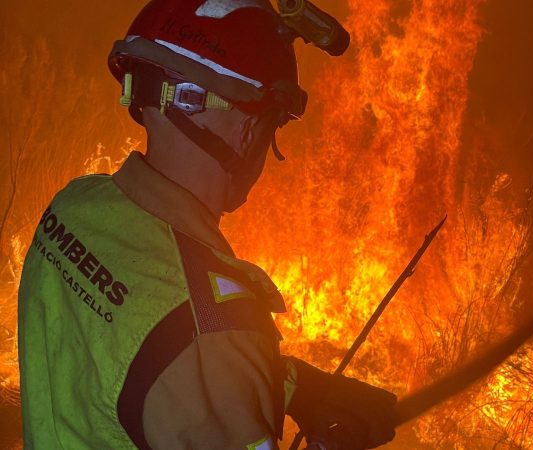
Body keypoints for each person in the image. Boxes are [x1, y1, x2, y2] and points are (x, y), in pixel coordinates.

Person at [18, 1, 397, 449]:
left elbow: (131, 359)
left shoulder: (73, 209)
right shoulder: (212, 326)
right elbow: (185, 352)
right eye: (273, 121)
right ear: (248, 128)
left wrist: (287, 383)